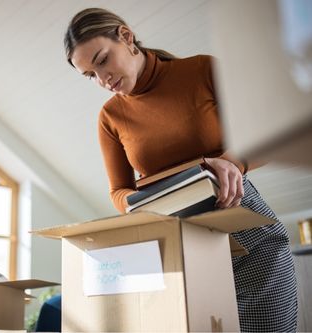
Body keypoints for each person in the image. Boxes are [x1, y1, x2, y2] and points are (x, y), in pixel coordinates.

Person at [64, 7, 298, 332]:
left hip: (252, 243)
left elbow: (269, 133)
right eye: (90, 75)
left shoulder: (203, 69)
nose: (102, 80)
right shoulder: (110, 118)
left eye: (102, 60)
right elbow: (118, 191)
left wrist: (233, 163)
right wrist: (145, 203)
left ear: (126, 37)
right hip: (180, 253)